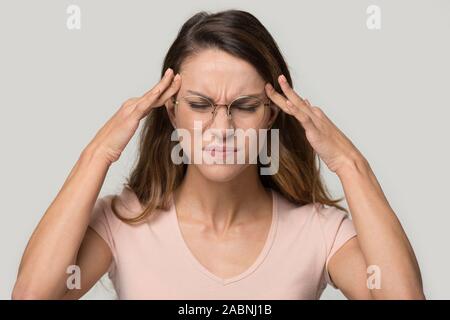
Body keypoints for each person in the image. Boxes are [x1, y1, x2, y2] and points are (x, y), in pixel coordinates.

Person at [12, 9, 425, 300]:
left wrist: (349, 163)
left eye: (244, 107)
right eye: (200, 105)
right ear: (171, 110)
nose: (222, 129)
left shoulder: (320, 232)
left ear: (271, 115)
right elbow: (32, 295)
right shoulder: (124, 222)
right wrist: (98, 152)